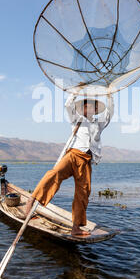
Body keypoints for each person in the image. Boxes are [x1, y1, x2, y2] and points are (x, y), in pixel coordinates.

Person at [25, 93, 114, 237]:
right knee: (54, 174)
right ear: (83, 108)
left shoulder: (99, 124)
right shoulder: (76, 119)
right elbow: (68, 105)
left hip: (86, 161)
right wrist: (75, 93)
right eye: (87, 106)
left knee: (83, 193)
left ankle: (76, 227)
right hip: (72, 155)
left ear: (95, 109)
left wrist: (110, 97)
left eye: (92, 106)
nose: (89, 108)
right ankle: (31, 201)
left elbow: (109, 114)